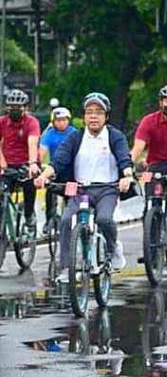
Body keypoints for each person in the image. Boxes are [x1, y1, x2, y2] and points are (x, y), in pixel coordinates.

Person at [35, 93, 134, 276]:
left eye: (98, 112)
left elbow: (124, 158)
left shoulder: (115, 136)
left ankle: (113, 249)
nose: (93, 116)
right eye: (89, 112)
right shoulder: (76, 137)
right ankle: (66, 267)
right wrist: (43, 176)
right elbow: (59, 160)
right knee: (66, 220)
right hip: (80, 190)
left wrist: (127, 176)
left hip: (107, 189)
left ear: (106, 116)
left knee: (104, 219)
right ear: (84, 117)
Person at [0, 89, 42, 230]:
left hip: (26, 163)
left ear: (25, 108)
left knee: (29, 185)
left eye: (18, 107)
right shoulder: (2, 122)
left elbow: (32, 144)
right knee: (2, 193)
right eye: (12, 107)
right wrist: (2, 163)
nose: (15, 110)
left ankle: (29, 215)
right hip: (8, 164)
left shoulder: (32, 122)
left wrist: (32, 163)